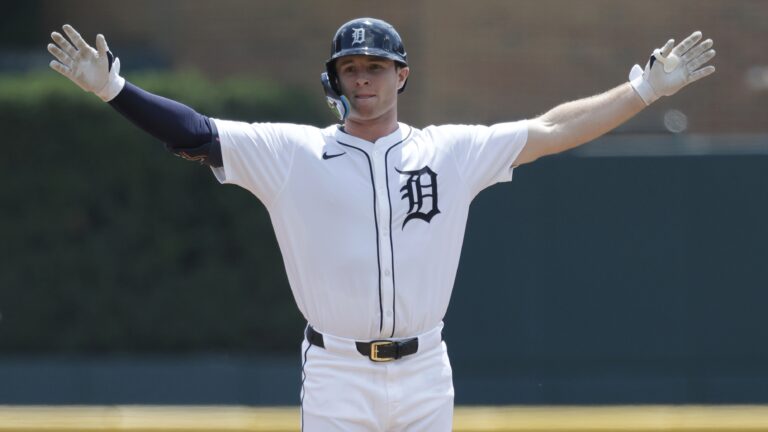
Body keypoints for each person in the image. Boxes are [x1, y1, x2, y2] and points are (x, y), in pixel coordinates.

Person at [47, 17, 715, 431]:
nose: (362, 80)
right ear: (332, 78)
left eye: (374, 68)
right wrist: (115, 90)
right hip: (338, 375)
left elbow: (551, 129)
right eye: (350, 69)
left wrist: (644, 89)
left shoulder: (450, 151)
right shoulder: (292, 154)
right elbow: (194, 132)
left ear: (402, 75)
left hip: (426, 371)